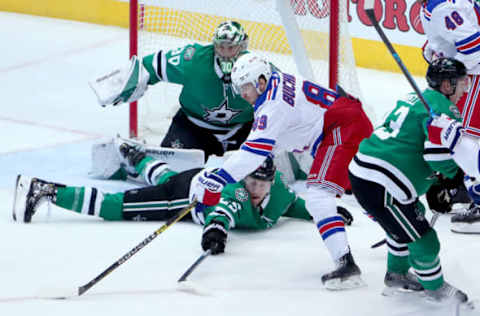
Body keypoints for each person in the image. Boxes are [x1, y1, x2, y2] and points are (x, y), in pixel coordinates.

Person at [188, 53, 374, 290]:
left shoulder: (273, 106)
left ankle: (346, 266)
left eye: (246, 86)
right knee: (365, 189)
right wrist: (222, 174)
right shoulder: (276, 86)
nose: (243, 94)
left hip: (340, 128)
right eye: (239, 88)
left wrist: (217, 179)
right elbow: (262, 148)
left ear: (261, 81)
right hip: (347, 121)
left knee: (318, 197)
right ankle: (408, 238)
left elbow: (254, 153)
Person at [12, 141, 353, 255]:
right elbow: (221, 215)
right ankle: (48, 190)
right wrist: (215, 233)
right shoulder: (235, 192)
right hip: (186, 198)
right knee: (119, 207)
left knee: (168, 176)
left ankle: (137, 158)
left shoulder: (277, 189)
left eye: (262, 183)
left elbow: (293, 205)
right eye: (252, 181)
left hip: (197, 178)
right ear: (243, 176)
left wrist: (325, 213)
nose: (257, 188)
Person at [348, 58, 469, 304]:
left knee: (409, 218)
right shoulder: (443, 108)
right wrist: (453, 179)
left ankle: (397, 273)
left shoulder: (417, 98)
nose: (463, 89)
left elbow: (410, 143)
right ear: (447, 85)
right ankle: (436, 290)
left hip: (368, 174)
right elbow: (436, 154)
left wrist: (436, 183)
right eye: (461, 83)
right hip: (382, 183)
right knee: (424, 239)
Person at [90, 21, 253, 161]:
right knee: (170, 169)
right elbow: (152, 66)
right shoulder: (194, 59)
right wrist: (125, 82)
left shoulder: (256, 67)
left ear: (242, 46)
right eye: (220, 46)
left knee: (259, 177)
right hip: (194, 127)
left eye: (230, 47)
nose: (224, 53)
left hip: (242, 130)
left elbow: (277, 98)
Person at [420, 0, 480, 226]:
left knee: (466, 139)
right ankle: (467, 188)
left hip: (475, 74)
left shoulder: (441, 7)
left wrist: (447, 70)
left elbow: (474, 49)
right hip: (471, 75)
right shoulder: (437, 6)